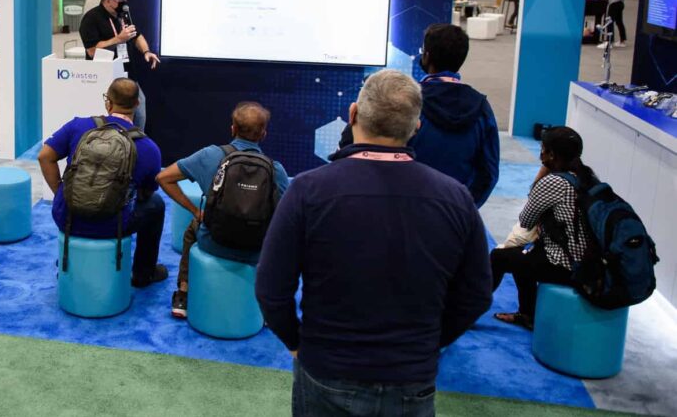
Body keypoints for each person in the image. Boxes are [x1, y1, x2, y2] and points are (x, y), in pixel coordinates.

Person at [257, 70, 492, 417]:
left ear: (352, 115)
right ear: (416, 128)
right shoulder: (456, 198)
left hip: (326, 369)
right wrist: (428, 345)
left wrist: (297, 343)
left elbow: (271, 289)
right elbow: (476, 295)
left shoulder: (307, 191)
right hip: (412, 377)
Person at [156, 102, 290, 319]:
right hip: (256, 251)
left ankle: (183, 295)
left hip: (214, 242)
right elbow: (285, 217)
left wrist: (194, 210)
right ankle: (268, 307)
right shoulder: (276, 170)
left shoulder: (209, 155)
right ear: (264, 134)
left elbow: (163, 178)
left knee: (192, 230)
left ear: (232, 129)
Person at [38, 78, 168, 287]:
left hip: (67, 217)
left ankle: (75, 260)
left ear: (108, 102)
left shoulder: (77, 125)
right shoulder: (149, 147)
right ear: (137, 105)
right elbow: (146, 193)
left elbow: (45, 156)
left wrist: (61, 193)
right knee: (156, 205)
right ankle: (144, 273)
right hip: (113, 226)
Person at [490, 126, 593, 330]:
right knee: (525, 255)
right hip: (585, 263)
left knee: (499, 257)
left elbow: (526, 220)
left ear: (551, 154)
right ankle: (527, 314)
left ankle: (467, 308)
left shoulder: (553, 182)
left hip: (565, 266)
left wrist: (542, 175)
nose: (540, 154)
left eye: (544, 149)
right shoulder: (585, 178)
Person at [409, 24, 499, 207]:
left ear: (427, 56)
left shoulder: (408, 101)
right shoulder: (482, 108)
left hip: (409, 209)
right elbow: (489, 172)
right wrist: (465, 207)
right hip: (457, 210)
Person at [78, 0, 160, 130]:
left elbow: (137, 35)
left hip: (128, 74)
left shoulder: (123, 15)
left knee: (139, 113)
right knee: (110, 120)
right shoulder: (91, 19)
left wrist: (146, 51)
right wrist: (118, 39)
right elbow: (92, 51)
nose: (125, 2)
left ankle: (136, 145)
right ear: (108, 1)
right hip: (104, 77)